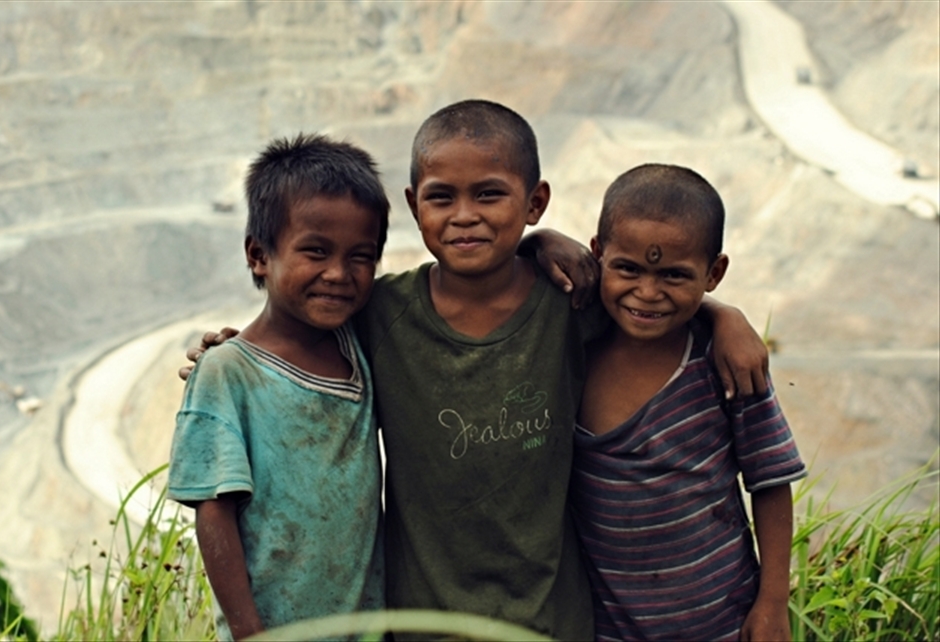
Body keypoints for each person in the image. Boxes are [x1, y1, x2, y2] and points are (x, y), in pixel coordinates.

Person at [183, 100, 770, 639]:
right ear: (415, 207)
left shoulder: (567, 303)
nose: (465, 216)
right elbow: (299, 326)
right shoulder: (381, 315)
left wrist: (724, 317)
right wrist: (232, 354)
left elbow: (646, 300)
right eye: (442, 197)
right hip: (422, 622)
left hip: (553, 619)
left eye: (489, 195)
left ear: (535, 202)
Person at [167, 133, 388, 641]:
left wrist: (537, 243)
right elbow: (214, 513)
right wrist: (249, 633)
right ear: (259, 255)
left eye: (361, 256)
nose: (339, 273)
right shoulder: (228, 373)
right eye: (315, 251)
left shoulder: (361, 345)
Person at [573, 163, 806, 642]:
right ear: (597, 256)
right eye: (628, 269)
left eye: (674, 275)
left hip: (721, 622)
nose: (648, 292)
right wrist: (540, 241)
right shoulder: (569, 345)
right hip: (608, 628)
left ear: (714, 273)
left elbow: (770, 479)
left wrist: (773, 600)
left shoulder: (725, 364)